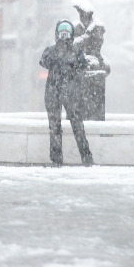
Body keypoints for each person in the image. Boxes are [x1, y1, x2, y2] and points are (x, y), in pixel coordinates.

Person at [39, 20, 94, 166]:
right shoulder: (50, 50)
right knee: (54, 127)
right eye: (62, 33)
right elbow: (44, 62)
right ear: (57, 34)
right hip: (53, 93)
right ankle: (56, 160)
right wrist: (58, 49)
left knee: (77, 126)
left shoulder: (76, 51)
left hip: (71, 94)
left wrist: (69, 51)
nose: (64, 36)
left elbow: (82, 66)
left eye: (67, 33)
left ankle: (87, 158)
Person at [75, 21, 110, 121]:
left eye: (101, 36)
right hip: (85, 68)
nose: (100, 39)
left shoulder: (100, 62)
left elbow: (107, 68)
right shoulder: (82, 38)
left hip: (93, 71)